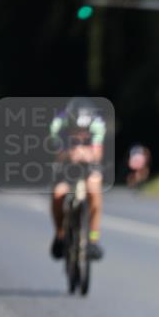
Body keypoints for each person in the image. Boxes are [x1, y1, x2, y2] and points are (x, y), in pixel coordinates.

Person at [49, 98, 107, 260]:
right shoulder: (58, 124)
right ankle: (60, 235)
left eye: (84, 131)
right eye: (77, 130)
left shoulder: (97, 124)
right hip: (65, 163)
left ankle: (93, 239)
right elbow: (56, 153)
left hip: (88, 163)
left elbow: (98, 153)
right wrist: (69, 154)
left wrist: (87, 154)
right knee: (58, 195)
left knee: (94, 191)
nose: (81, 133)